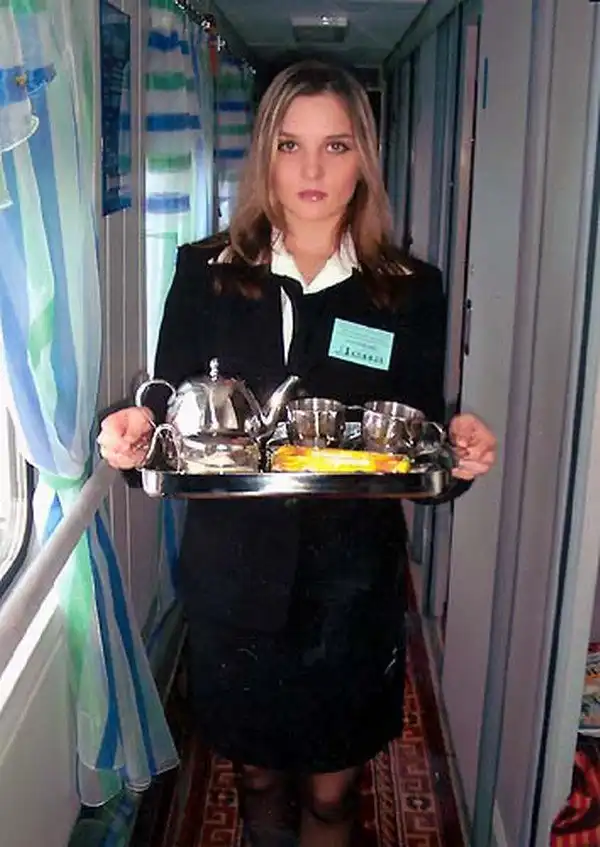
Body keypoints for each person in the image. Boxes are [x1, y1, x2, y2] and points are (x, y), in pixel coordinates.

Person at [98, 60, 496, 847]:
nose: (312, 169)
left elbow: (417, 441)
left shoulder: (409, 289)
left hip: (349, 594)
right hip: (232, 585)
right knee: (255, 779)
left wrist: (459, 454)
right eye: (290, 144)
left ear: (363, 159)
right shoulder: (206, 273)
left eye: (336, 145)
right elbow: (169, 404)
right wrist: (136, 429)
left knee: (330, 796)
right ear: (265, 156)